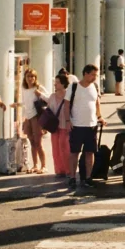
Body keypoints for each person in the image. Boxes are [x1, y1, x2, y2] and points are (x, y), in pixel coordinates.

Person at [66, 63, 105, 192]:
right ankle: (72, 177)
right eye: (93, 74)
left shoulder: (94, 86)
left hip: (91, 125)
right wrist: (68, 120)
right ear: (85, 74)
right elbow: (66, 104)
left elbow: (97, 103)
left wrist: (100, 117)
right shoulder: (74, 86)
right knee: (74, 152)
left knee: (90, 152)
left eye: (96, 75)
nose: (95, 77)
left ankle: (88, 177)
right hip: (77, 124)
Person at [19, 67, 48, 173]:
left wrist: (40, 94)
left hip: (37, 117)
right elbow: (25, 103)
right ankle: (35, 165)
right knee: (31, 142)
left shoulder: (39, 88)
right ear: (25, 78)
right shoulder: (24, 89)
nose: (30, 79)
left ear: (36, 78)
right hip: (28, 117)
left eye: (32, 76)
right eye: (28, 76)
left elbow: (49, 99)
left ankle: (43, 165)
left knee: (38, 142)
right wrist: (18, 106)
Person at [46, 73, 71, 179]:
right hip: (54, 127)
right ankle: (59, 170)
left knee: (65, 148)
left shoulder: (69, 96)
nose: (55, 85)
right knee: (55, 149)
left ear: (63, 84)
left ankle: (68, 170)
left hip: (65, 126)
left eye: (57, 83)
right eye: (54, 82)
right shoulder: (52, 96)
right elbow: (48, 110)